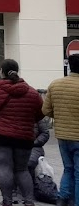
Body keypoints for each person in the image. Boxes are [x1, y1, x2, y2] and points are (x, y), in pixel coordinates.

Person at [0, 59, 44, 206]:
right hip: (24, 137)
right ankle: (29, 201)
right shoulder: (32, 92)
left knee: (3, 168)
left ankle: (7, 200)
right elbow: (39, 114)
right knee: (22, 169)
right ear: (17, 71)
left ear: (1, 71)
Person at [44, 53, 79, 206]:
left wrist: (59, 115)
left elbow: (46, 110)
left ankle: (62, 198)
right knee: (78, 173)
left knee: (68, 168)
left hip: (62, 135)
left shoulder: (55, 84)